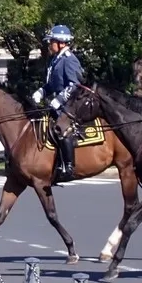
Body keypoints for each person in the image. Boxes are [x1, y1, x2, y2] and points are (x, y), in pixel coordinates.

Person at [32, 24, 83, 179]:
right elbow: (52, 84)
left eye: (51, 41)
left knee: (62, 128)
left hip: (69, 104)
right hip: (57, 103)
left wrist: (59, 99)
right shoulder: (56, 60)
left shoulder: (69, 60)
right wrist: (41, 91)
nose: (49, 44)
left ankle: (68, 166)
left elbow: (74, 85)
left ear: (61, 42)